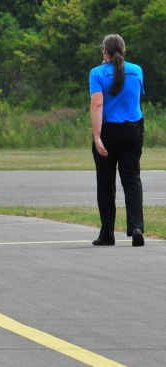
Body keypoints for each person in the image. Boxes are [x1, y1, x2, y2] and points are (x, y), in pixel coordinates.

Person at [89, 34, 145, 247]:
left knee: (105, 182)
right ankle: (136, 227)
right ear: (123, 50)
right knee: (132, 179)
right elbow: (136, 98)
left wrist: (96, 136)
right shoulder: (137, 70)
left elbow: (97, 105)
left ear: (105, 50)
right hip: (133, 131)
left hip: (108, 132)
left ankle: (107, 233)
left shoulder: (97, 73)